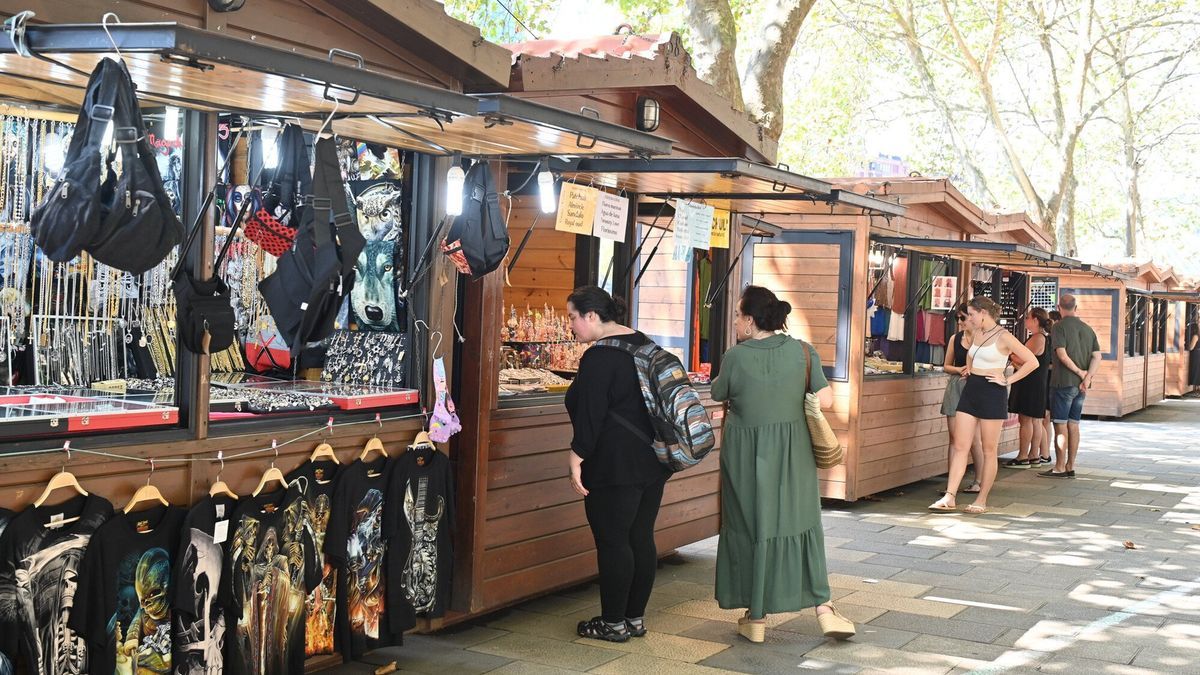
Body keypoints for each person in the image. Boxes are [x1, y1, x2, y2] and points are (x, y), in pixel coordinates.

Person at [711, 285, 855, 644]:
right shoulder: (803, 352)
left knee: (751, 525)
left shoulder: (736, 357)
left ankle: (755, 617)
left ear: (749, 320)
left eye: (737, 315)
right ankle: (824, 608)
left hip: (746, 455)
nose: (734, 322)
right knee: (801, 521)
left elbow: (717, 392)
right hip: (794, 453)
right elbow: (825, 397)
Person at [563, 286, 670, 642]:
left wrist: (576, 456)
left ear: (592, 316)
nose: (572, 326)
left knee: (613, 542)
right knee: (640, 537)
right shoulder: (643, 343)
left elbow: (590, 416)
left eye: (573, 317)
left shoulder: (598, 358)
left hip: (613, 465)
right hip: (653, 462)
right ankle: (634, 619)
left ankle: (612, 623)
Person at [930, 297, 1037, 513]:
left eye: (970, 314)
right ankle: (950, 496)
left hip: (992, 392)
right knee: (961, 446)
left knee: (989, 450)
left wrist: (1007, 379)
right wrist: (969, 370)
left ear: (983, 313)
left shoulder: (1004, 336)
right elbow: (971, 356)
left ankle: (981, 500)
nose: (968, 319)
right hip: (971, 389)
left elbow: (1032, 362)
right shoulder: (976, 333)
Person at [1041, 294, 1102, 478]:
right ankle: (1070, 465)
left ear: (1059, 307)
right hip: (1081, 386)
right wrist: (1087, 377)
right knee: (1074, 424)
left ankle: (1059, 467)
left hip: (1062, 382)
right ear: (1076, 307)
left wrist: (1079, 372)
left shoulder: (1058, 327)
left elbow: (1062, 354)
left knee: (1060, 425)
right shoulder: (1088, 329)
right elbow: (1097, 356)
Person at [941, 305, 985, 491]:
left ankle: (979, 481)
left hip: (974, 388)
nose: (959, 322)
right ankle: (952, 483)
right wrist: (959, 369)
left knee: (974, 439)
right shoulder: (955, 338)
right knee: (954, 437)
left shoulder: (983, 338)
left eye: (963, 318)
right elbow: (946, 365)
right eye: (958, 318)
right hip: (955, 386)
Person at [1004, 308, 1052, 466]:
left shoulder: (1037, 338)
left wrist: (1010, 353)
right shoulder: (1044, 337)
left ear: (1036, 320)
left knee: (1026, 420)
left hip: (1030, 382)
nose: (1025, 320)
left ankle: (1024, 455)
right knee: (1035, 421)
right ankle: (1033, 455)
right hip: (1038, 382)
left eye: (1027, 318)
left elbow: (1022, 358)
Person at [1036, 310, 1063, 463]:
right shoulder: (1052, 339)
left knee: (1044, 417)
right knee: (1045, 417)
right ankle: (1044, 452)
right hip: (1049, 380)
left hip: (1048, 380)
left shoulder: (1050, 340)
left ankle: (1044, 452)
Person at [1187, 322, 1200, 387]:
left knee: (1196, 371)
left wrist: (1186, 345)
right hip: (1198, 354)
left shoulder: (1195, 336)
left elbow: (1191, 347)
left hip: (1196, 355)